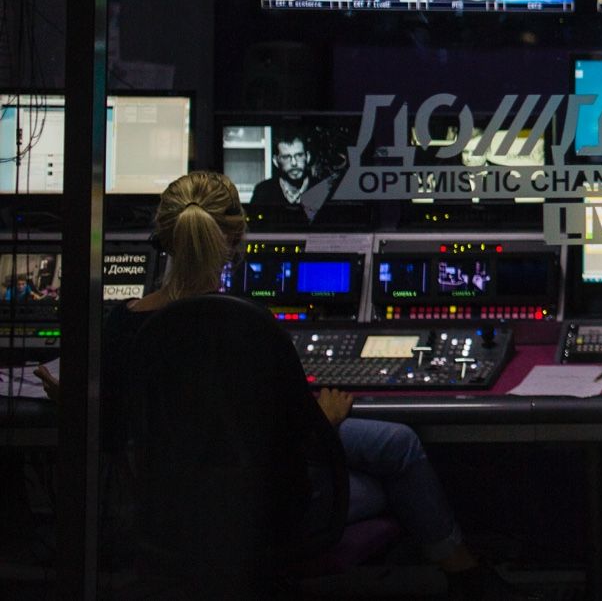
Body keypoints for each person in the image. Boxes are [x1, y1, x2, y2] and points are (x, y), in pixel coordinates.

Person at [35, 172, 527, 599]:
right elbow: (294, 435)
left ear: (160, 238)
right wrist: (325, 419)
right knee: (388, 477)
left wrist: (75, 402)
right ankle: (467, 577)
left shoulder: (122, 325)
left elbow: (113, 427)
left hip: (163, 509)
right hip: (258, 508)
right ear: (236, 238)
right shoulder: (247, 324)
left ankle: (462, 575)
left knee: (395, 445)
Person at [249, 130, 314, 216]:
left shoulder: (324, 189)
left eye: (299, 155)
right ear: (276, 161)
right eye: (286, 157)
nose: (294, 163)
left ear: (308, 157)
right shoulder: (263, 191)